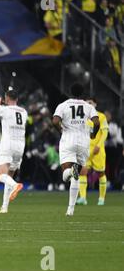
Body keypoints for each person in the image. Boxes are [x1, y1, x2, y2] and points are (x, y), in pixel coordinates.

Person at [52, 84, 99, 216]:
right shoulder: (88, 106)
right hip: (83, 141)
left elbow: (55, 121)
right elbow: (96, 122)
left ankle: (70, 171)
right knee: (76, 175)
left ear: (69, 92)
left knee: (65, 174)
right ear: (83, 93)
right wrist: (94, 134)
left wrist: (61, 130)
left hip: (68, 139)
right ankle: (70, 209)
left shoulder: (63, 105)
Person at [0, 89, 27, 213]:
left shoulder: (4, 109)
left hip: (7, 144)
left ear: (6, 99)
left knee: (1, 176)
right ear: (17, 99)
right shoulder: (24, 111)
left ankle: (16, 185)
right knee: (9, 176)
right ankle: (4, 207)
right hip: (20, 146)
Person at [76, 98, 109, 206]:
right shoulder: (82, 118)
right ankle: (83, 198)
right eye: (87, 103)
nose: (88, 104)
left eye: (90, 103)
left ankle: (101, 198)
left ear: (95, 104)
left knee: (101, 173)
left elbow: (104, 133)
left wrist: (99, 145)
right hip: (85, 149)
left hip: (97, 150)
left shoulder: (101, 116)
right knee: (82, 172)